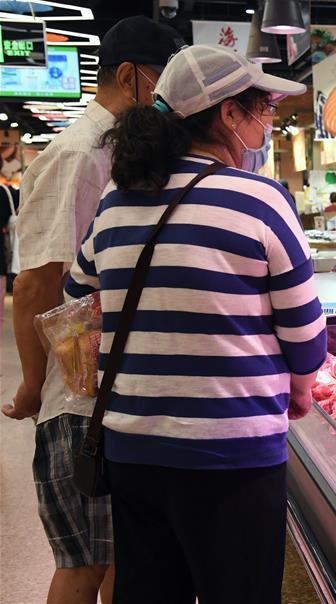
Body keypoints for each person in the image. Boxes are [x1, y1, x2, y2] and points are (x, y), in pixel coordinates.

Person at [64, 44, 326, 603]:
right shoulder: (260, 199)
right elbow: (305, 334)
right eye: (263, 109)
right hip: (232, 451)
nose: (267, 122)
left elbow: (77, 296)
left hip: (132, 447)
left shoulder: (116, 201)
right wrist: (300, 384)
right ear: (229, 113)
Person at [3, 16, 183, 604]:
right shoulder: (79, 153)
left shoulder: (119, 148)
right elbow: (37, 283)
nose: (171, 99)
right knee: (84, 562)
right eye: (163, 81)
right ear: (130, 77)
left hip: (114, 386)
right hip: (82, 396)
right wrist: (34, 385)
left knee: (120, 557)